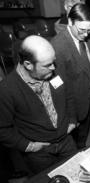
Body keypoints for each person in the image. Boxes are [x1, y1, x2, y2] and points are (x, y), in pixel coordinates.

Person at [0, 35, 77, 174]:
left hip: (66, 141)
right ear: (28, 64)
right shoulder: (7, 89)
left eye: (53, 62)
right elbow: (2, 129)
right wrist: (29, 146)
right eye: (47, 65)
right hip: (40, 152)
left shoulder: (55, 72)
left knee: (75, 174)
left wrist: (72, 120)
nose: (53, 68)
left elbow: (69, 95)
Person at [51, 3, 90, 149]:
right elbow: (58, 85)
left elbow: (89, 69)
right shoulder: (58, 46)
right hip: (72, 107)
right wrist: (70, 117)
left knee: (82, 140)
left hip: (87, 100)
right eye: (82, 30)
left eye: (89, 30)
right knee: (73, 145)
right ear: (70, 22)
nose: (86, 34)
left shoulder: (86, 38)